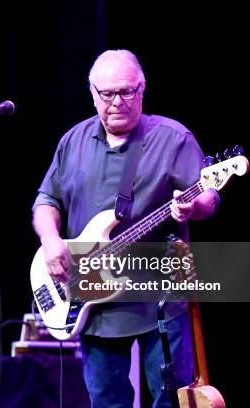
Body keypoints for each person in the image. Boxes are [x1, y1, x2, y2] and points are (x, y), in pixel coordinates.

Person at [32, 49, 219, 407]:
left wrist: (194, 205)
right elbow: (45, 201)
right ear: (91, 92)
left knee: (171, 398)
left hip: (159, 301)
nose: (116, 102)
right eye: (106, 94)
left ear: (142, 89)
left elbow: (209, 197)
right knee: (105, 400)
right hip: (94, 305)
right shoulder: (73, 141)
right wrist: (52, 240)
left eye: (126, 92)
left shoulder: (173, 138)